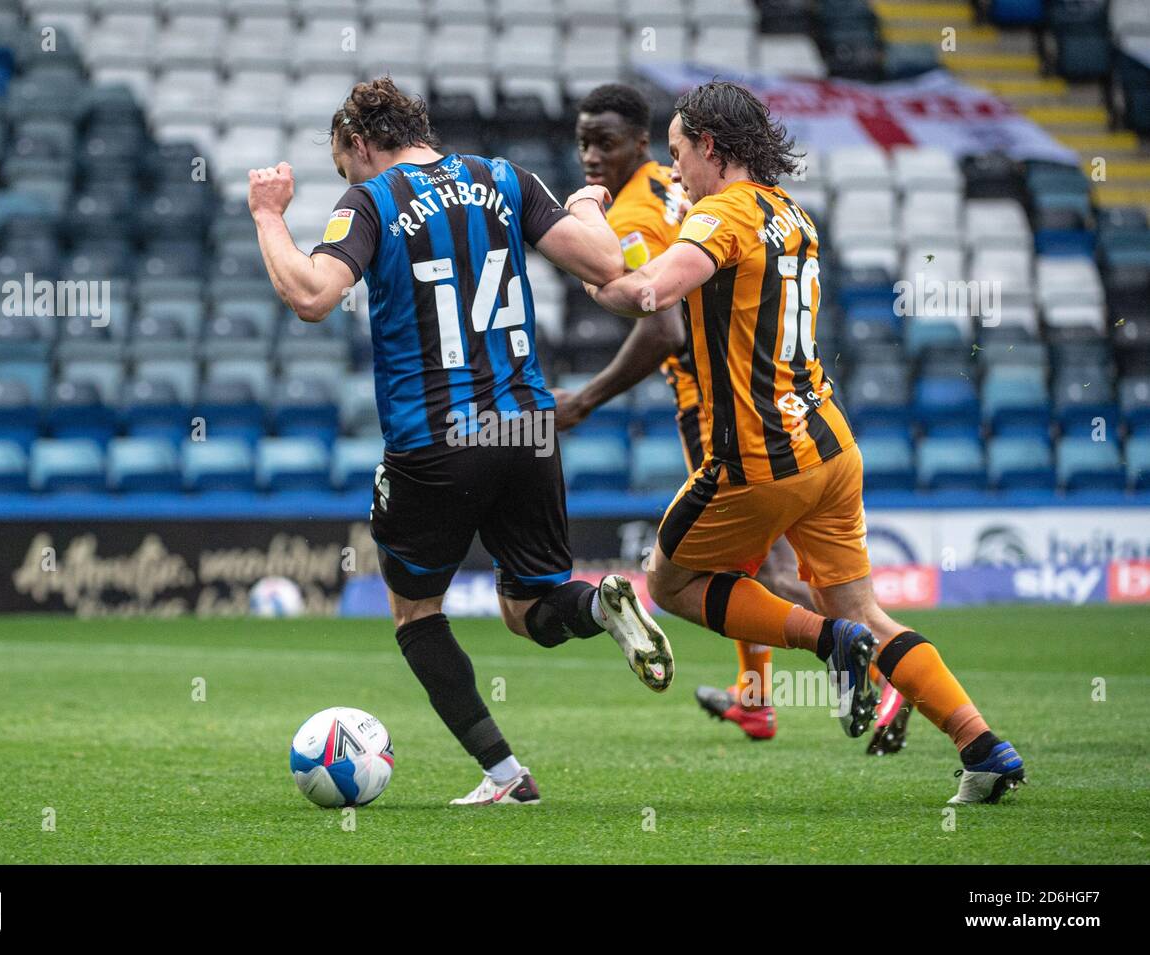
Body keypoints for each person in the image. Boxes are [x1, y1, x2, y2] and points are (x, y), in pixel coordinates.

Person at [585, 79, 1026, 804]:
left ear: (710, 148)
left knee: (669, 582)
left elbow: (646, 294)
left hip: (760, 458)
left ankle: (826, 646)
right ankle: (984, 745)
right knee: (866, 611)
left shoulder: (719, 214)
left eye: (678, 155)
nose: (675, 175)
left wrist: (579, 237)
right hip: (830, 446)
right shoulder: (794, 214)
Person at [249, 77, 674, 807]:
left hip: (437, 439)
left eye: (343, 163)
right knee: (530, 607)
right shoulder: (502, 178)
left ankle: (506, 774)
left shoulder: (372, 201)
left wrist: (267, 215)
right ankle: (602, 608)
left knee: (417, 612)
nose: (346, 178)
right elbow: (610, 268)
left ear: (359, 144)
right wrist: (582, 203)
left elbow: (313, 296)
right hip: (526, 427)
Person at [559, 83, 910, 746]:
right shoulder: (672, 183)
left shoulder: (636, 211)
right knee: (748, 567)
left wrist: (582, 398)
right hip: (769, 407)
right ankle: (757, 695)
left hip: (722, 406)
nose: (590, 155)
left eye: (604, 142)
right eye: (582, 142)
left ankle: (882, 667)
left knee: (758, 571)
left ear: (645, 146)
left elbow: (659, 320)